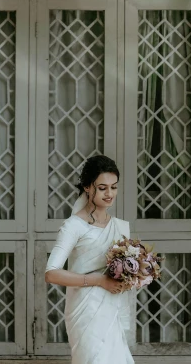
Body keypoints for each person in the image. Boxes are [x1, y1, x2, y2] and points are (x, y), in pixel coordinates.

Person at [45, 155, 135, 364]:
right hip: (86, 310)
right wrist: (98, 280)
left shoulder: (119, 226)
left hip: (112, 307)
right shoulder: (74, 226)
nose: (109, 193)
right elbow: (51, 273)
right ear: (87, 187)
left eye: (114, 187)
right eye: (102, 188)